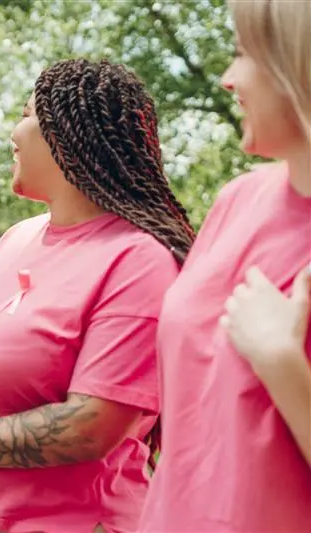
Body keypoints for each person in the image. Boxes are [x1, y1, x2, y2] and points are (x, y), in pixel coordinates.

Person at [0, 59, 196, 533]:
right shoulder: (19, 237)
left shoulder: (139, 261)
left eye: (26, 115)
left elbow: (89, 427)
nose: (13, 132)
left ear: (65, 134)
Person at [138, 1, 311, 530]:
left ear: (296, 60)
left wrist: (283, 364)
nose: (227, 79)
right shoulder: (238, 199)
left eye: (243, 53)